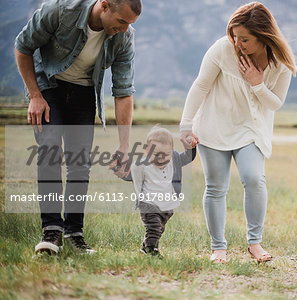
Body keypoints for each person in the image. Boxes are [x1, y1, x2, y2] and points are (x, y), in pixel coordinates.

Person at [14, 0, 142, 255]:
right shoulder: (60, 10)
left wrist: (124, 146)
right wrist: (35, 96)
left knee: (79, 162)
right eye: (122, 22)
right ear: (104, 6)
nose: (126, 30)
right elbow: (23, 46)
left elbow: (123, 91)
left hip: (84, 91)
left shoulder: (124, 37)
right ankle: (51, 231)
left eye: (130, 24)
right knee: (50, 151)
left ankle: (74, 233)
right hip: (48, 86)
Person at [179, 2, 297, 263]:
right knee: (215, 187)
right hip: (213, 127)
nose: (237, 43)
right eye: (235, 36)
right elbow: (200, 86)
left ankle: (255, 244)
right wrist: (186, 125)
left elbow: (275, 103)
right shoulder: (223, 49)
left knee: (255, 179)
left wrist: (257, 84)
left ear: (263, 36)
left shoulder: (280, 62)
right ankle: (218, 248)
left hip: (250, 129)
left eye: (244, 39)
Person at [121, 126, 198, 257]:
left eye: (166, 154)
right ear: (147, 150)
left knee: (159, 228)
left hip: (166, 205)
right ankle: (151, 250)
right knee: (154, 226)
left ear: (172, 151)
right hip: (148, 204)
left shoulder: (174, 160)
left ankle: (146, 245)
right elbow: (129, 175)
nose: (161, 158)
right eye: (156, 154)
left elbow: (187, 157)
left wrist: (190, 147)